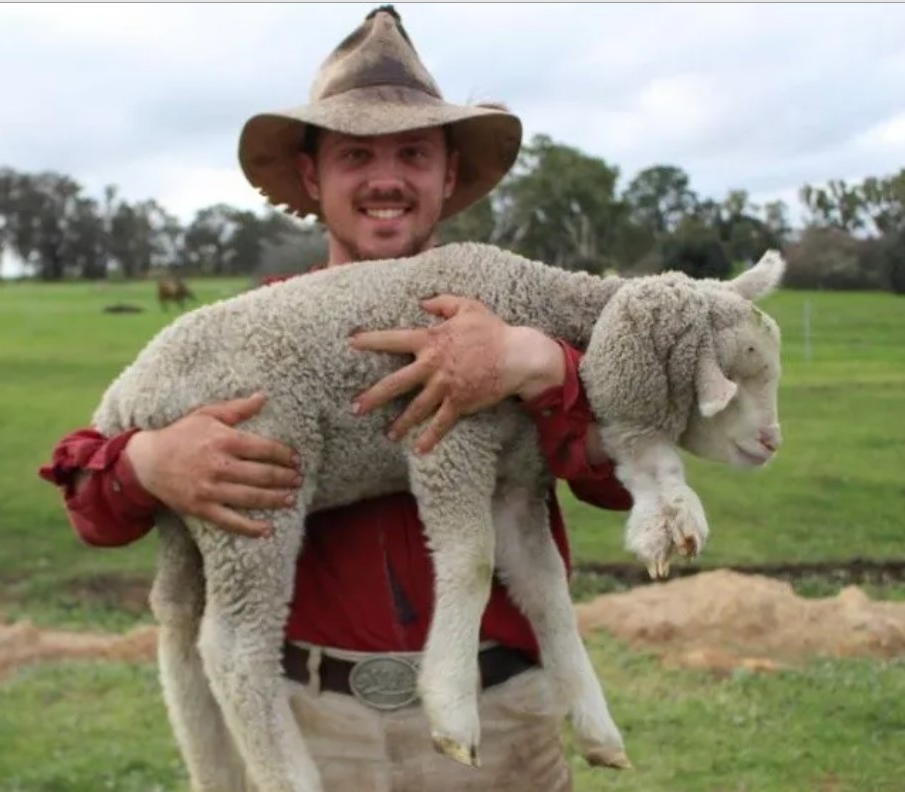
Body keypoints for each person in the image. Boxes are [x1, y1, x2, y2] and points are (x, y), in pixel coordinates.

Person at [39, 6, 633, 790]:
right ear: (314, 177)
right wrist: (147, 464)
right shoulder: (252, 338)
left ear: (447, 174)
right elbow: (89, 506)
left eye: (414, 153)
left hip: (502, 722)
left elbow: (616, 481)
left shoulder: (516, 320)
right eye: (356, 155)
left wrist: (538, 363)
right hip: (314, 726)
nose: (386, 178)